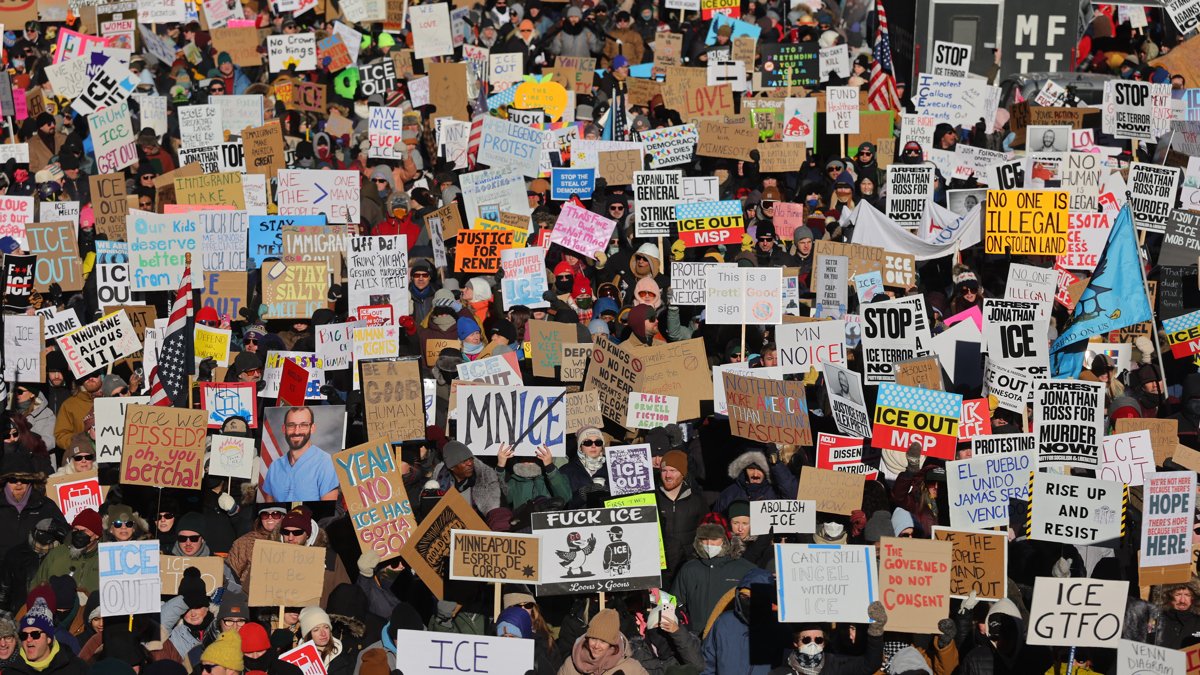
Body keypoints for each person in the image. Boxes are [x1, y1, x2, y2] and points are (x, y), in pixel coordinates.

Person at [261, 407, 339, 502]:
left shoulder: (326, 463)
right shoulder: (274, 466)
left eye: (303, 425)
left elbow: (328, 511)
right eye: (291, 425)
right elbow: (269, 507)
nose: (296, 431)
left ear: (312, 428)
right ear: (284, 429)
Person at [7, 597, 87, 675]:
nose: (28, 640)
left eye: (35, 634)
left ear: (49, 638)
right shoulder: (12, 671)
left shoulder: (76, 668)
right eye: (24, 635)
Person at [557, 609, 649, 675]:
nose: (596, 645)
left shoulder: (631, 668)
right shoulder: (571, 664)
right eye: (593, 639)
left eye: (603, 641)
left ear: (612, 644)